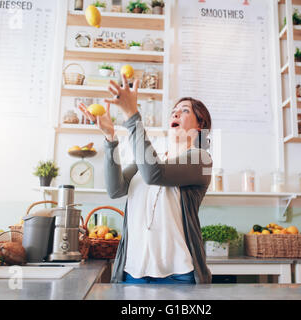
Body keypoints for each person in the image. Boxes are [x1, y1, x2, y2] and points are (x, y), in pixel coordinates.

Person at [79, 73, 213, 284]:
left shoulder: (201, 159)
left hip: (178, 274)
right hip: (134, 271)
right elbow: (115, 189)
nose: (175, 114)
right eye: (173, 112)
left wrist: (132, 114)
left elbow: (154, 174)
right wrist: (110, 138)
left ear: (200, 125)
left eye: (184, 111)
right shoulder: (152, 159)